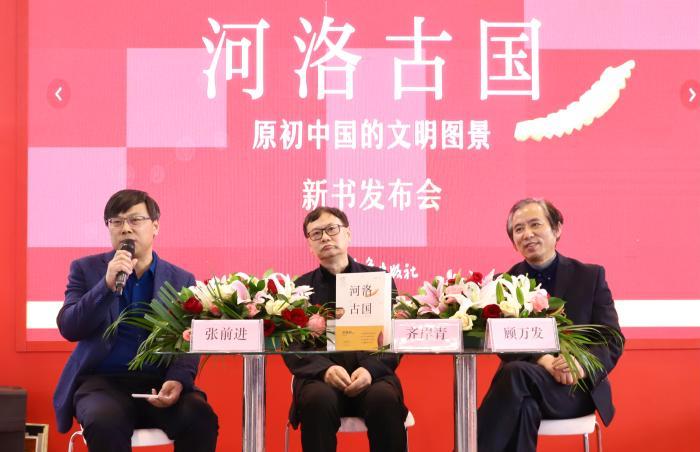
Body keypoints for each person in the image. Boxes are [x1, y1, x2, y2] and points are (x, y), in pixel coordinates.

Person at [53, 189, 218, 451]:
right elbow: (69, 327)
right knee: (103, 421)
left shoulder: (181, 279)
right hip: (102, 384)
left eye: (135, 220)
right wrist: (106, 286)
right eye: (116, 221)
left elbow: (189, 339)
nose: (126, 229)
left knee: (200, 417)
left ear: (155, 226)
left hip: (159, 383)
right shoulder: (85, 269)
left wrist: (177, 380)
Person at [477, 198, 624, 451]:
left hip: (573, 389)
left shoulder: (589, 276)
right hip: (523, 385)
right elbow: (501, 340)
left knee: (514, 374)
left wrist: (580, 365)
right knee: (525, 405)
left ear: (557, 229)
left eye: (535, 224)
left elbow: (612, 338)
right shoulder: (503, 283)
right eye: (519, 229)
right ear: (513, 241)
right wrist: (543, 359)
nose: (527, 234)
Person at [283, 207, 408, 452]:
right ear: (309, 244)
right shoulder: (299, 288)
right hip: (320, 379)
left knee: (384, 399)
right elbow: (292, 346)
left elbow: (395, 337)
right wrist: (325, 369)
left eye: (332, 229)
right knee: (317, 400)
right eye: (316, 233)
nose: (325, 237)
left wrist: (371, 369)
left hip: (373, 376)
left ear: (348, 234)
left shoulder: (378, 279)